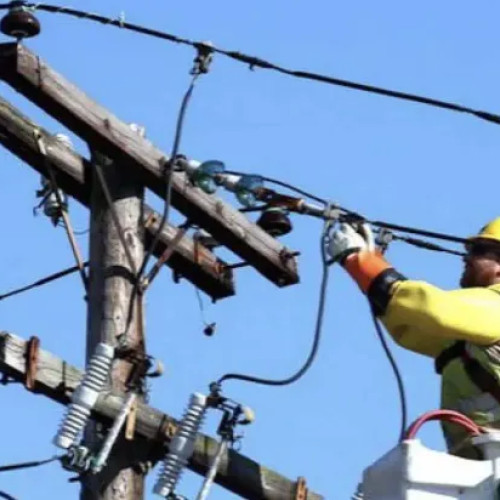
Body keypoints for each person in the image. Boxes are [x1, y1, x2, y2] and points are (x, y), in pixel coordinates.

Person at [328, 217, 500, 458]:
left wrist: (361, 261)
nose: (466, 257)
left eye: (479, 250)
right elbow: (411, 326)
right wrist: (369, 266)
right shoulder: (475, 334)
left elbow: (431, 308)